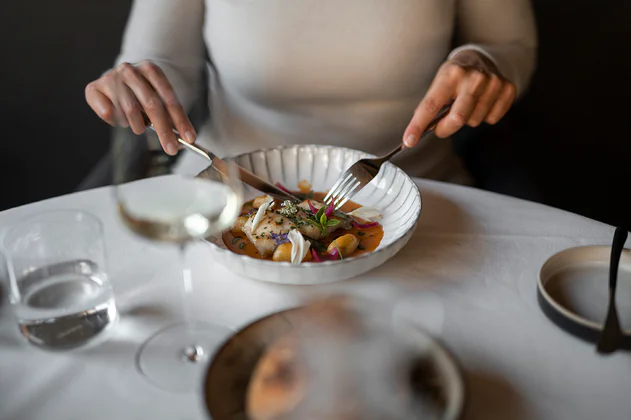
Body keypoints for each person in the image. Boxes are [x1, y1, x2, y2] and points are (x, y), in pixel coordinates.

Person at [85, 0, 536, 183]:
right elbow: (160, 66)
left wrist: (485, 66)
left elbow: (512, 48)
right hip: (227, 197)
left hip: (416, 192)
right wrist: (136, 88)